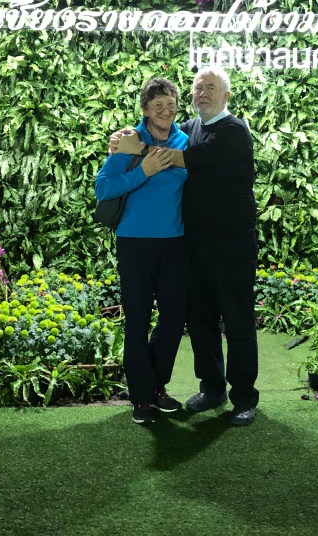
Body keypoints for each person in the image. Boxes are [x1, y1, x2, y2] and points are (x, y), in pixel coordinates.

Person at [114, 66, 259, 426]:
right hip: (194, 246)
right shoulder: (189, 129)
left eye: (210, 87)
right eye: (197, 88)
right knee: (200, 321)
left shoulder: (234, 130)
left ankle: (244, 397)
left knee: (237, 321)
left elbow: (182, 159)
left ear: (226, 96)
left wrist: (136, 147)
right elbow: (158, 137)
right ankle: (212, 388)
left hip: (232, 245)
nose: (202, 93)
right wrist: (123, 139)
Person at [95, 77, 189, 425]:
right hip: (135, 243)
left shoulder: (184, 141)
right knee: (137, 319)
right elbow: (103, 188)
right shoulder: (130, 142)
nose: (165, 110)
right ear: (146, 110)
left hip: (175, 244)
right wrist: (144, 172)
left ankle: (156, 387)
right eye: (157, 105)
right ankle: (141, 397)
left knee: (174, 318)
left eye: (170, 104)